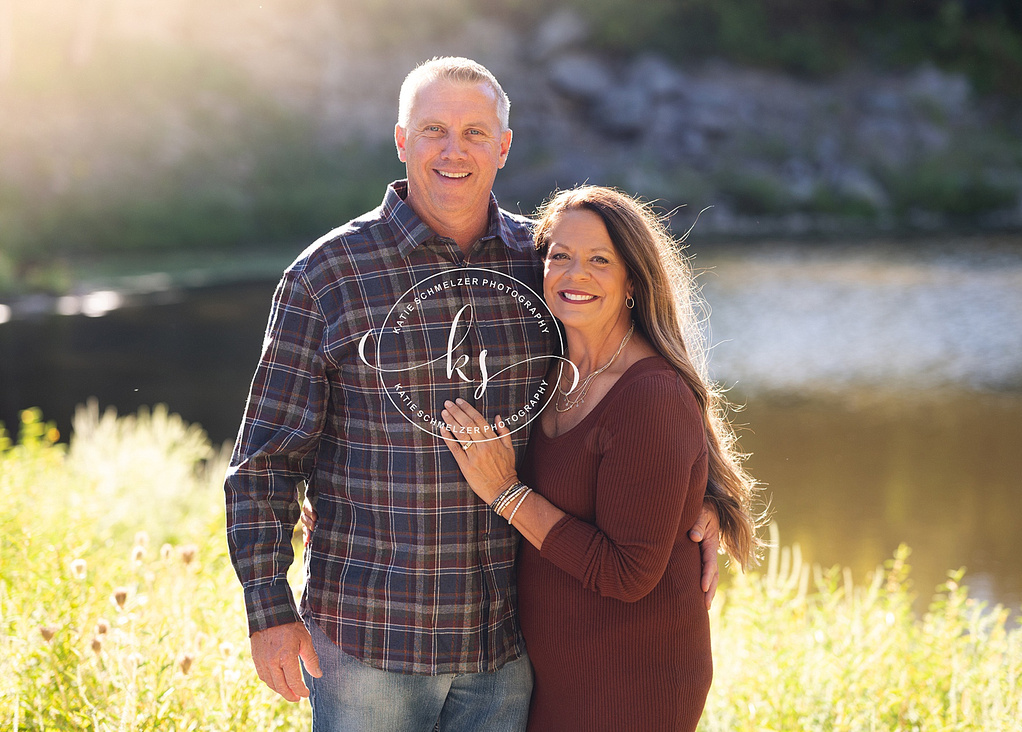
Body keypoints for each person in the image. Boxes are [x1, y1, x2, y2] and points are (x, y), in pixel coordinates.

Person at [224, 57, 724, 731]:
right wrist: (269, 610)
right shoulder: (326, 277)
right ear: (402, 141)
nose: (453, 150)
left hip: (506, 654)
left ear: (503, 146)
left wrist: (705, 501)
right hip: (370, 647)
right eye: (433, 129)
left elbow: (636, 386)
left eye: (474, 132)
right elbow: (264, 464)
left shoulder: (542, 265)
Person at [437, 185, 760, 731]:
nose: (574, 274)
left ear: (632, 279)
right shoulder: (550, 371)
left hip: (631, 679)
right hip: (556, 669)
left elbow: (628, 571)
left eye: (599, 260)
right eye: (559, 256)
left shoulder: (649, 394)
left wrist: (506, 495)